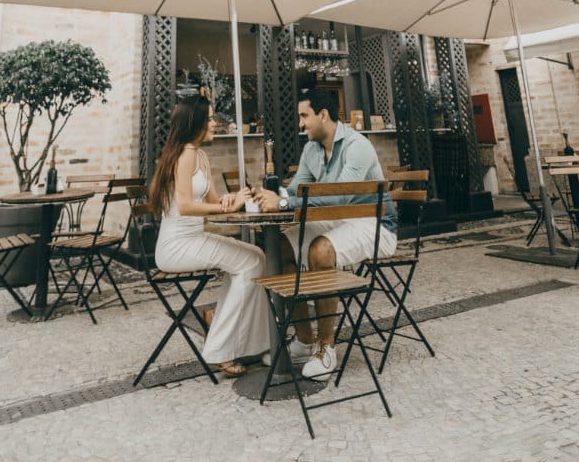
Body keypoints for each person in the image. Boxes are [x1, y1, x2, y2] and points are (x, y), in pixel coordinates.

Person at [255, 88, 397, 381]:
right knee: (281, 246)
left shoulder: (357, 146)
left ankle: (326, 346)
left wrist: (282, 204)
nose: (300, 124)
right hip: (339, 221)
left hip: (375, 224)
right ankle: (304, 340)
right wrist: (267, 195)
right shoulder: (312, 149)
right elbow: (296, 189)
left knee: (320, 250)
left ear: (322, 115)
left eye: (304, 116)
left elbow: (340, 196)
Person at [150, 94, 270, 377]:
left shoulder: (201, 155)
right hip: (177, 245)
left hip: (194, 238)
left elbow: (214, 202)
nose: (215, 123)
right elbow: (186, 206)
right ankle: (220, 348)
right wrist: (229, 206)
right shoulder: (185, 155)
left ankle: (231, 331)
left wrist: (233, 198)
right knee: (252, 262)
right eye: (210, 118)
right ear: (195, 123)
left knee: (257, 256)